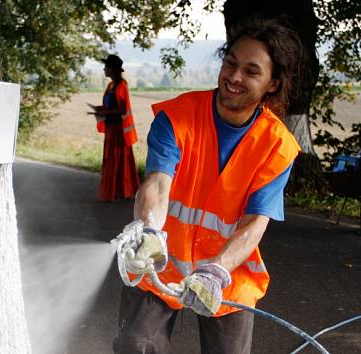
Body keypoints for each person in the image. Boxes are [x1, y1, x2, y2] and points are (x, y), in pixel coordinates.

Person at [112, 18, 302, 354]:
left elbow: (255, 223)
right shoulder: (176, 117)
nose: (234, 77)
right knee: (134, 345)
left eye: (251, 71)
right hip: (160, 260)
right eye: (230, 63)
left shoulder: (277, 146)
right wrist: (149, 230)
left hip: (227, 274)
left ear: (272, 84)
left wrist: (216, 271)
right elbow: (156, 183)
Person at [90, 54, 140, 202]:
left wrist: (104, 112)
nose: (104, 69)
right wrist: (101, 109)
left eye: (106, 67)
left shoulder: (121, 85)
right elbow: (111, 105)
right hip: (111, 128)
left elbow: (122, 110)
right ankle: (116, 192)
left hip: (119, 131)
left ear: (112, 69)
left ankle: (122, 192)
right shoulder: (111, 85)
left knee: (119, 161)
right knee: (112, 160)